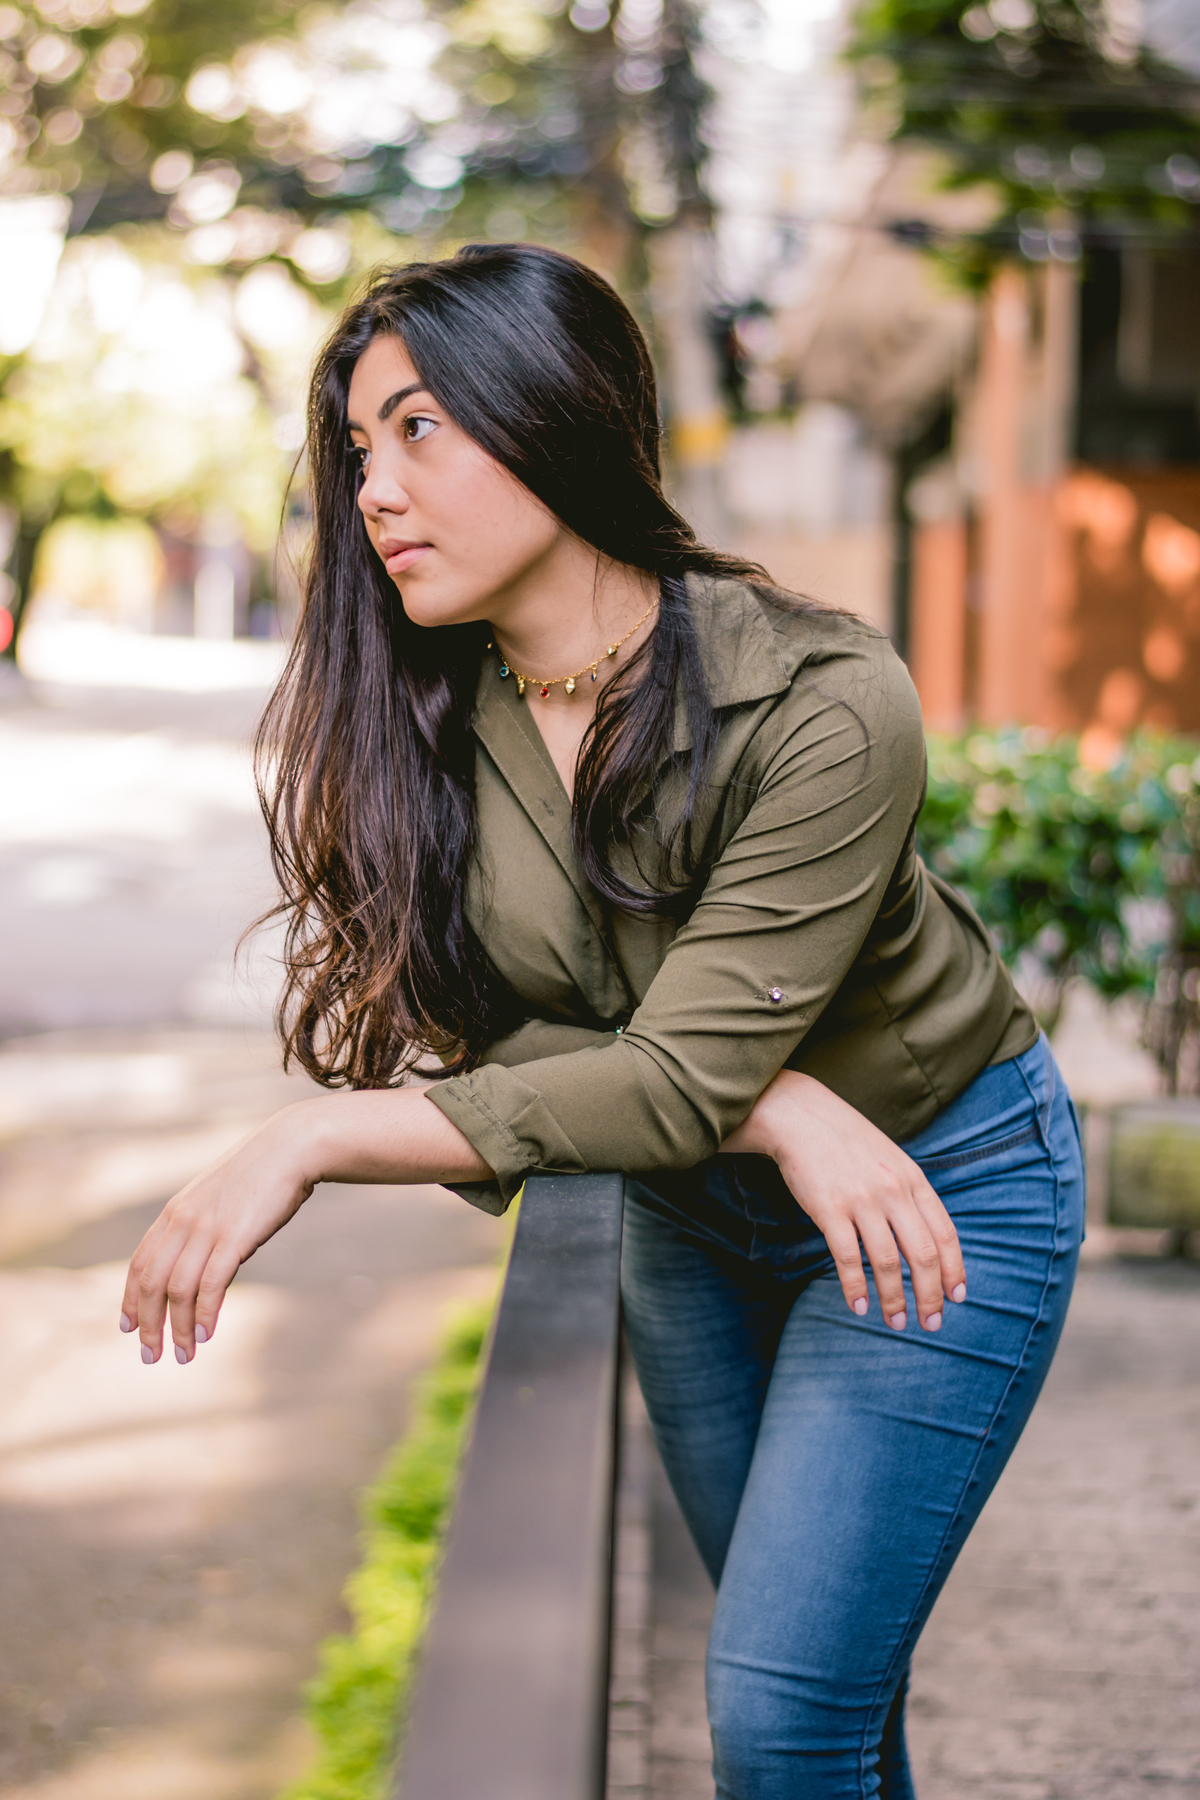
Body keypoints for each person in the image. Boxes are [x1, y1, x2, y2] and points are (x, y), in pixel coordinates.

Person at [120, 243, 1084, 1799]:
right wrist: (761, 1103)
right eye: (360, 449)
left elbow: (659, 1068)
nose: (375, 489)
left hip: (936, 1193)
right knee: (825, 1691)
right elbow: (496, 1036)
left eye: (420, 429)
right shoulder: (430, 710)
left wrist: (310, 1142)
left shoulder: (825, 703)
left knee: (779, 1711)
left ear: (552, 413)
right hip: (694, 1215)